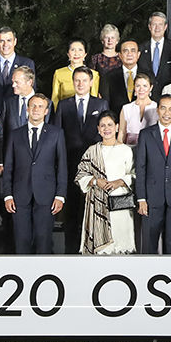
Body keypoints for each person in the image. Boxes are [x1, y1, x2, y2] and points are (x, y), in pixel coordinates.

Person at [1, 94, 66, 254]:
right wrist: (8, 195)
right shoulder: (15, 134)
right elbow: (9, 166)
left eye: (40, 106)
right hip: (19, 195)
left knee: (43, 241)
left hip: (46, 195)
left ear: (46, 111)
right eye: (33, 106)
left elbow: (62, 166)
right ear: (27, 109)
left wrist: (60, 195)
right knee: (21, 241)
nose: (36, 109)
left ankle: (43, 276)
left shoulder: (56, 133)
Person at [54, 66, 107, 253]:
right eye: (77, 80)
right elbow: (58, 135)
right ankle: (70, 253)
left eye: (84, 80)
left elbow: (105, 134)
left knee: (92, 212)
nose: (80, 84)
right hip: (69, 165)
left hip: (93, 166)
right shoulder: (63, 105)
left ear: (91, 82)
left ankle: (91, 251)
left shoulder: (101, 105)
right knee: (71, 214)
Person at [134, 95, 171, 254]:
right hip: (151, 198)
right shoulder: (146, 134)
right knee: (149, 242)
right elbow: (140, 168)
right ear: (157, 110)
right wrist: (141, 198)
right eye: (163, 108)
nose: (167, 113)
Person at [76, 111, 137, 255]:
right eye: (102, 126)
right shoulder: (91, 151)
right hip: (96, 205)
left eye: (110, 125)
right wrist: (96, 181)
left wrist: (120, 181)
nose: (106, 128)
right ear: (98, 129)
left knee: (120, 245)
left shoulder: (126, 150)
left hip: (120, 203)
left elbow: (135, 174)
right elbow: (80, 175)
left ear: (117, 127)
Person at [0, 26, 35, 134]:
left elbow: (30, 94)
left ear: (15, 41)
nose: (5, 44)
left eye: (9, 40)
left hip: (17, 124)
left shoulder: (27, 63)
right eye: (1, 41)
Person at [50, 40, 100, 110]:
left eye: (80, 50)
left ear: (85, 54)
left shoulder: (94, 74)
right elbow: (55, 98)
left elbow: (94, 97)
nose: (76, 53)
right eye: (73, 50)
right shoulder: (59, 73)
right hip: (65, 112)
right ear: (68, 54)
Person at [138, 10, 171, 86]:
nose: (157, 28)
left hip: (168, 93)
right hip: (146, 94)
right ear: (149, 27)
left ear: (165, 27)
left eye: (160, 24)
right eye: (154, 24)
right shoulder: (140, 48)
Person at [102, 39, 141, 111]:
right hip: (117, 120)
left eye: (133, 50)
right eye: (125, 51)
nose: (129, 54)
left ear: (138, 54)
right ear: (120, 55)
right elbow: (106, 103)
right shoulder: (109, 76)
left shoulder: (148, 75)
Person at [119, 74, 157, 146]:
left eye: (145, 86)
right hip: (130, 148)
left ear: (151, 88)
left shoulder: (157, 108)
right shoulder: (126, 108)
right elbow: (121, 132)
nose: (141, 89)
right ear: (134, 87)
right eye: (138, 86)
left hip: (151, 148)